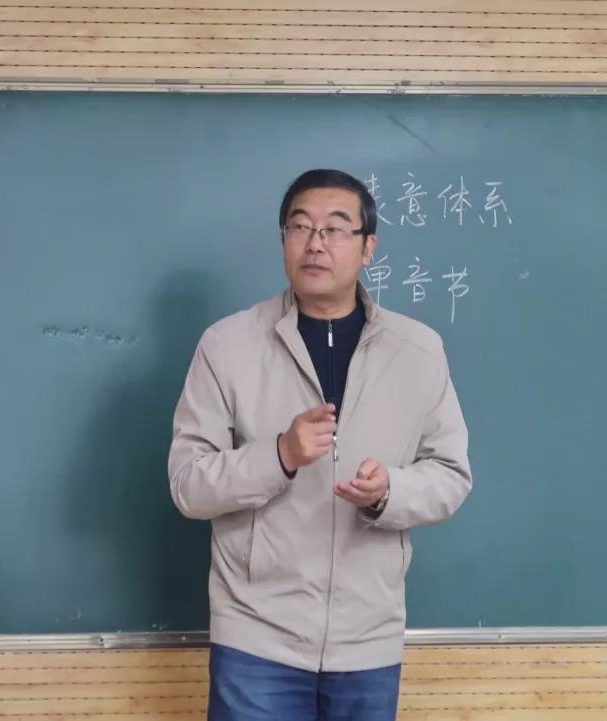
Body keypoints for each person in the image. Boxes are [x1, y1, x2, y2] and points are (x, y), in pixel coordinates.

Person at [167, 168, 472, 721]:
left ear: (368, 247)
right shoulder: (228, 345)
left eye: (335, 228)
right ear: (283, 239)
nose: (315, 243)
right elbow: (188, 484)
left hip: (368, 639)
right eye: (300, 226)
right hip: (256, 637)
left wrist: (389, 492)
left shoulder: (418, 351)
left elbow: (451, 476)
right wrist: (279, 455)